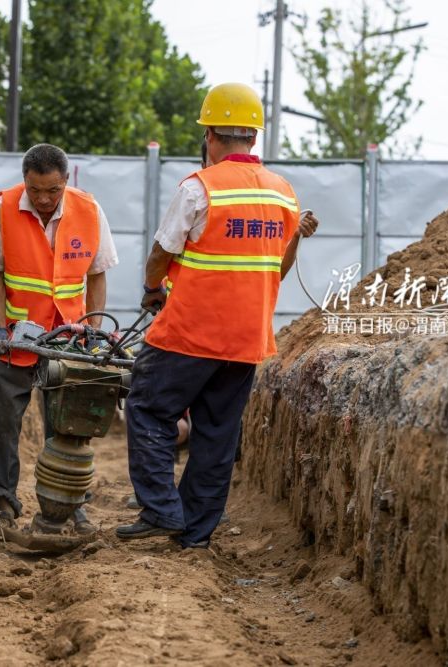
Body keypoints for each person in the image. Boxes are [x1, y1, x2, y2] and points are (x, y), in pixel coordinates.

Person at [116, 83, 319, 548]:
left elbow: (159, 254)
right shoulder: (283, 194)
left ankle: (161, 509)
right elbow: (277, 268)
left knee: (147, 406)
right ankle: (194, 534)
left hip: (188, 332)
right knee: (217, 434)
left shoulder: (199, 186)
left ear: (210, 135)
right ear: (253, 138)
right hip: (247, 338)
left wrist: (152, 291)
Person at [0, 143, 118, 533]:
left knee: (69, 425)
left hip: (68, 338)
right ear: (25, 180)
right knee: (5, 424)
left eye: (52, 191)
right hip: (17, 338)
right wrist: (1, 325)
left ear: (65, 181)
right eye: (35, 190)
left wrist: (93, 331)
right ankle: (4, 502)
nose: (42, 199)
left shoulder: (89, 210)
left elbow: (97, 273)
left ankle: (71, 505)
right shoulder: (5, 207)